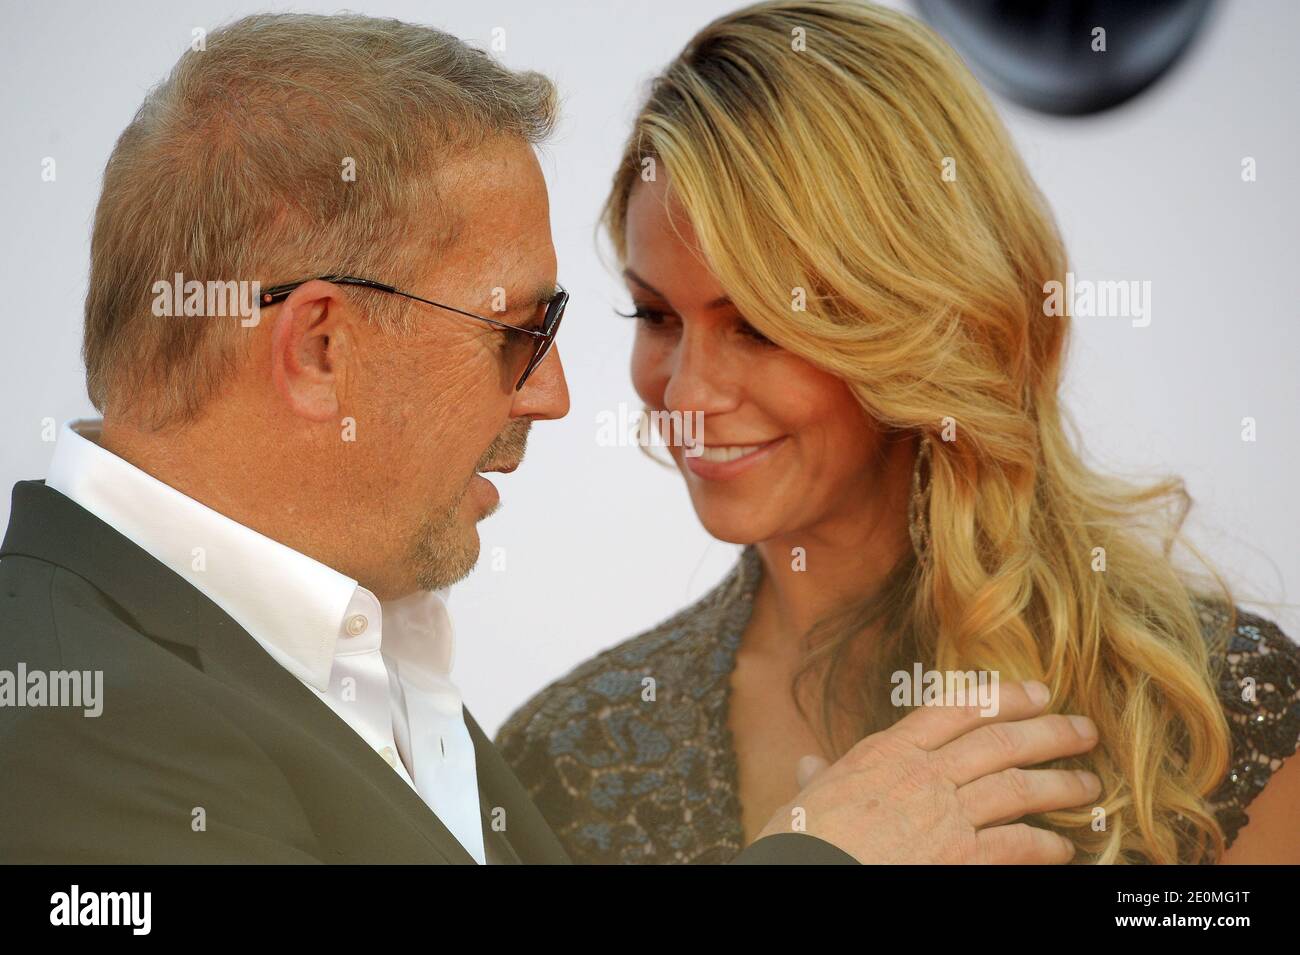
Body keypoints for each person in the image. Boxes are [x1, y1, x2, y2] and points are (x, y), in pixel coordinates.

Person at [0, 11, 1101, 865]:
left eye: (763, 321)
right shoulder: (59, 709)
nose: (557, 395)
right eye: (519, 331)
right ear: (320, 346)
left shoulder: (359, 663)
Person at [495, 0, 1300, 864]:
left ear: (921, 319)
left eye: (759, 325)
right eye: (656, 316)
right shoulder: (569, 756)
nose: (686, 389)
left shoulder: (1204, 700)